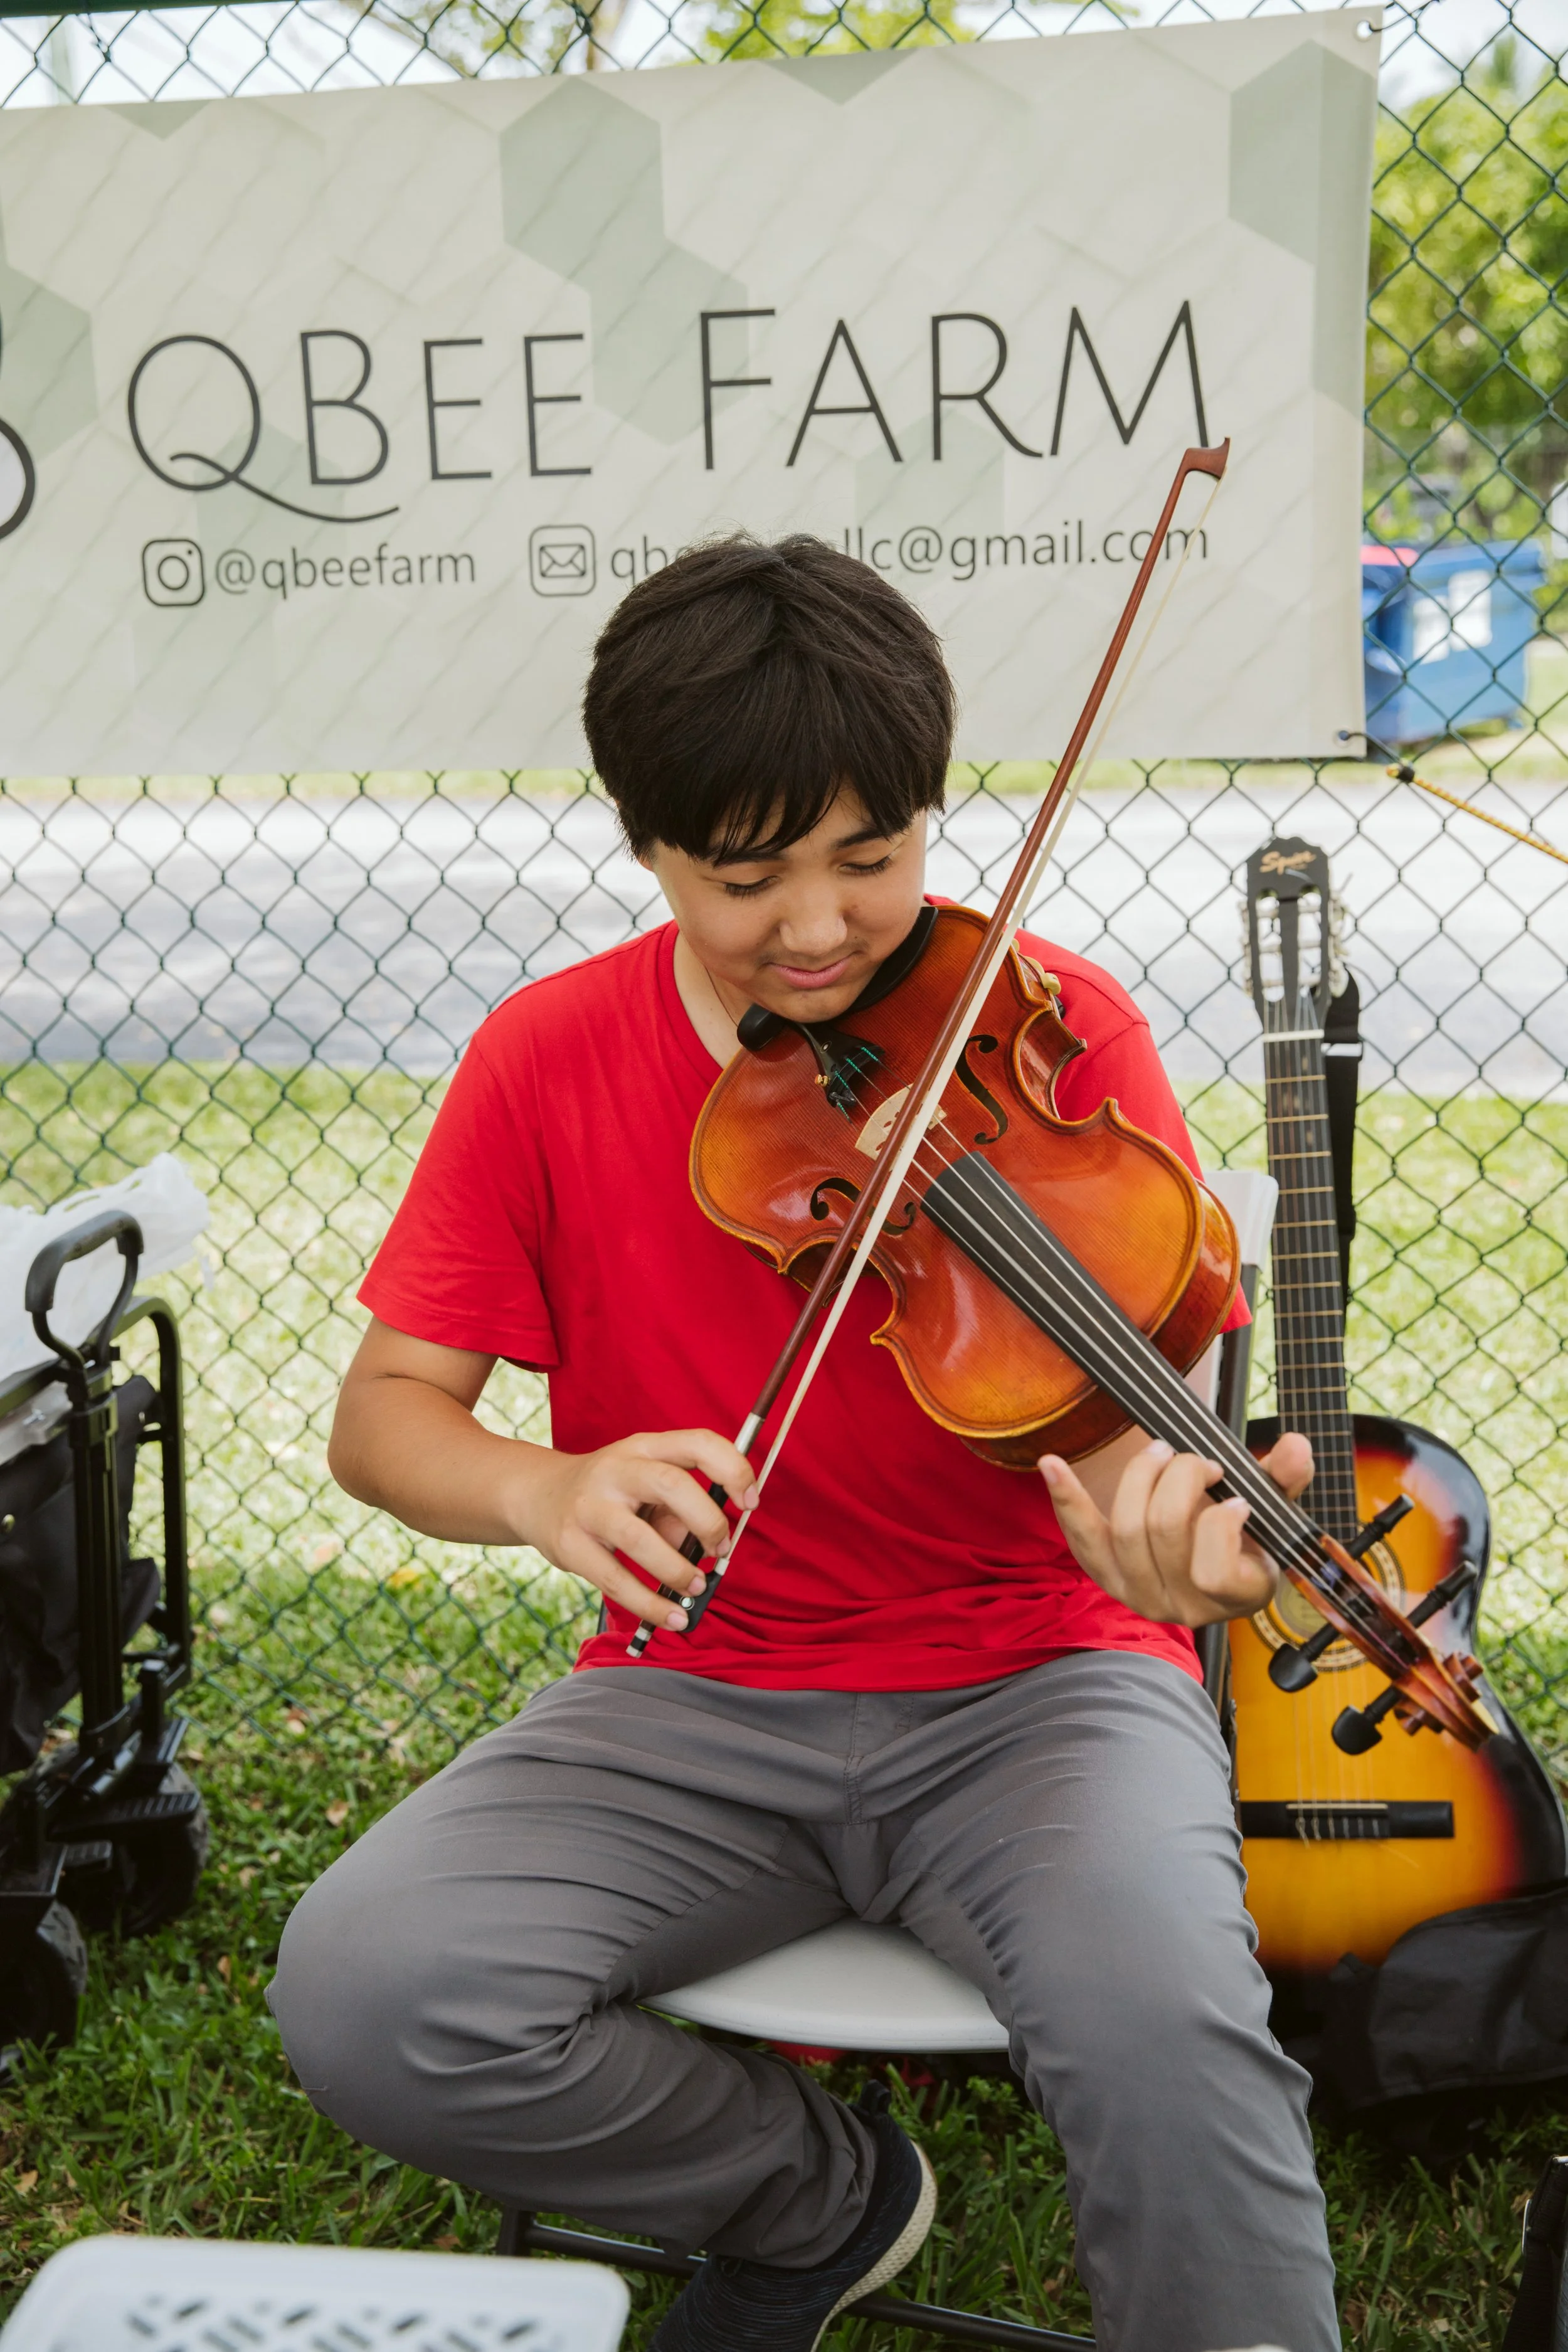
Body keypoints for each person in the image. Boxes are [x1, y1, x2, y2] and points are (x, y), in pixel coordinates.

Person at [269, 536, 1338, 2352]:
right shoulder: (545, 1059)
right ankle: (818, 2195)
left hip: (1038, 1679)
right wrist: (541, 1486)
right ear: (647, 844)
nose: (826, 926)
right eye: (748, 875)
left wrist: (1168, 1545)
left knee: (1167, 2021)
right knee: (373, 1987)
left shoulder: (1056, 1028)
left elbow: (1149, 1417)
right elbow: (381, 1419)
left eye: (876, 856)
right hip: (690, 1689)